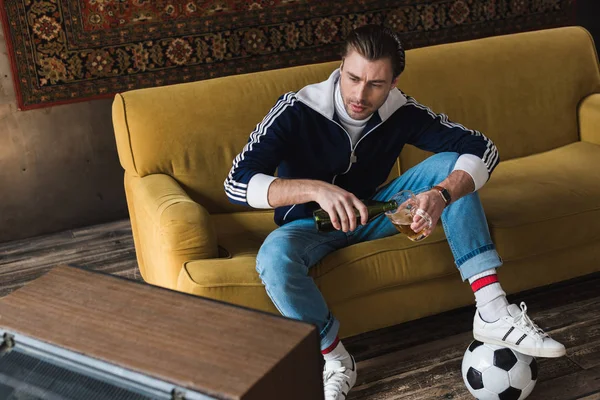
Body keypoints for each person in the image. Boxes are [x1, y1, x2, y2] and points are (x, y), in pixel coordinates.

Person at [224, 24, 565, 400]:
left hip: (376, 213)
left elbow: (484, 150)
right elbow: (236, 182)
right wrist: (315, 189)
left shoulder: (400, 110)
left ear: (393, 82)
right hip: (307, 226)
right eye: (353, 78)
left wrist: (441, 195)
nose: (360, 94)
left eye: (376, 84)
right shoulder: (296, 110)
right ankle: (336, 361)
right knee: (272, 257)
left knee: (451, 164)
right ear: (340, 67)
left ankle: (492, 309)